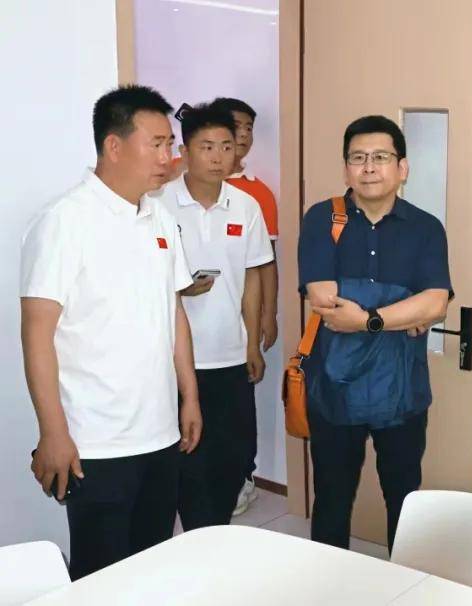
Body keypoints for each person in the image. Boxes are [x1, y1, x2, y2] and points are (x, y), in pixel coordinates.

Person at [20, 85, 202, 579]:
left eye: (170, 144)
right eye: (156, 144)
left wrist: (189, 396)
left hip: (159, 432)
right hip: (95, 442)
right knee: (101, 577)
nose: (168, 157)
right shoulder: (64, 221)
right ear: (114, 146)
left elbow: (173, 311)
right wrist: (53, 432)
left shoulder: (159, 217)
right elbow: (37, 333)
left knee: (151, 564)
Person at [298, 115, 451, 552]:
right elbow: (324, 300)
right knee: (331, 502)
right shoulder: (322, 218)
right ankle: (329, 584)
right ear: (346, 168)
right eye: (358, 158)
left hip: (401, 393)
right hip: (334, 390)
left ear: (402, 168)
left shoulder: (426, 227)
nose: (369, 168)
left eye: (381, 157)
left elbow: (436, 304)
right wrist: (404, 306)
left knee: (405, 505)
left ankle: (402, 585)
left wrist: (367, 317)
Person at [154, 103, 274, 529]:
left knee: (233, 455)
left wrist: (252, 343)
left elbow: (253, 276)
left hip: (229, 354)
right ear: (184, 151)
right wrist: (180, 287)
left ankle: (215, 532)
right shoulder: (159, 204)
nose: (219, 156)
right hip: (174, 360)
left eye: (226, 146)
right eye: (207, 147)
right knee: (186, 460)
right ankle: (194, 536)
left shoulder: (245, 206)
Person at [209, 97, 279, 515]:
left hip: (239, 326)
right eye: (236, 126)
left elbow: (265, 263)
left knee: (238, 408)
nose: (244, 135)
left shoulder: (257, 194)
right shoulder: (172, 188)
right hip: (187, 331)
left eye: (249, 128)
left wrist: (268, 314)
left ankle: (242, 479)